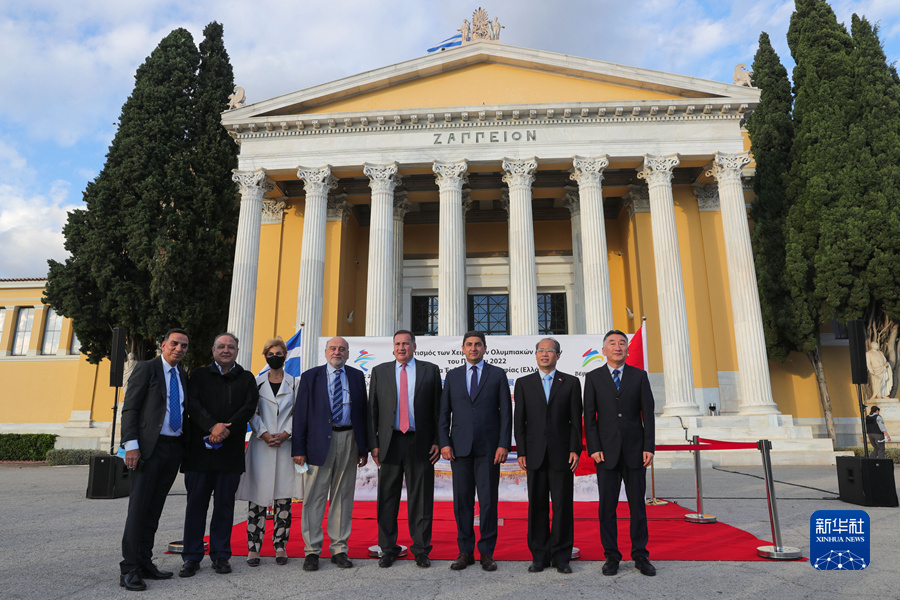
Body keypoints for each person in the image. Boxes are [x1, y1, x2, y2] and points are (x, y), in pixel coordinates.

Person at [179, 333, 259, 577]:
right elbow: (192, 405)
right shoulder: (199, 375)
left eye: (231, 347)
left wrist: (225, 430)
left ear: (237, 351)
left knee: (224, 507)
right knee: (196, 506)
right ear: (213, 350)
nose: (226, 350)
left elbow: (248, 408)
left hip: (230, 453)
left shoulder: (246, 378)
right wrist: (212, 426)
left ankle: (221, 555)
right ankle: (191, 556)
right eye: (221, 346)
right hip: (199, 453)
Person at [118, 328, 190, 591]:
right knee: (139, 508)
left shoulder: (183, 374)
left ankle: (144, 561)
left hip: (173, 449)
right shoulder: (146, 369)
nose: (179, 349)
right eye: (175, 343)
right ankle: (129, 568)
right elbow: (130, 408)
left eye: (184, 346)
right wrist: (131, 446)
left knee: (154, 508)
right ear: (163, 344)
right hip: (148, 449)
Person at [583, 330, 656, 577]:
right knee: (607, 508)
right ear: (604, 350)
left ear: (627, 349)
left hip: (635, 452)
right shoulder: (593, 378)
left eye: (622, 343)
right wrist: (594, 447)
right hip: (606, 454)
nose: (617, 347)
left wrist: (648, 447)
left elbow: (648, 414)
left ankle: (640, 555)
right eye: (612, 343)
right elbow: (589, 416)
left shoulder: (639, 376)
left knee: (638, 507)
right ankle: (611, 556)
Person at [368, 330, 442, 568]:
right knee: (387, 498)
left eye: (406, 344)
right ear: (393, 347)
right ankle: (388, 548)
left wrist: (438, 440)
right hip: (389, 443)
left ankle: (421, 549)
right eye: (398, 344)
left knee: (421, 499)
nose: (402, 347)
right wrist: (374, 444)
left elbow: (438, 410)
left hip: (420, 442)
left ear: (414, 346)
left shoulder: (430, 370)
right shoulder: (380, 371)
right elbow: (372, 411)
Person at [292, 336, 368, 571]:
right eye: (333, 348)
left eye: (342, 349)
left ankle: (339, 549)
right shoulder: (310, 377)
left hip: (349, 439)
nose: (337, 352)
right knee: (314, 497)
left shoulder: (356, 376)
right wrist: (298, 449)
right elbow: (300, 414)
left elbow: (363, 413)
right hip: (317, 443)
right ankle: (312, 551)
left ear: (348, 353)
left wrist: (363, 447)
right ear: (325, 352)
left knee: (343, 497)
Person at [438, 331, 512, 571]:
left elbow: (506, 413)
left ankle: (487, 553)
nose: (473, 348)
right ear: (462, 348)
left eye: (478, 344)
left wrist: (503, 444)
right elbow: (443, 413)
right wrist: (444, 443)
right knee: (462, 502)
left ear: (485, 348)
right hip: (459, 449)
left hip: (489, 450)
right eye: (469, 344)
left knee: (488, 502)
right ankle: (465, 551)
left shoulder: (497, 374)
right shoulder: (453, 376)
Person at [513, 337, 582, 574]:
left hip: (562, 455)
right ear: (535, 355)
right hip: (534, 454)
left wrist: (575, 449)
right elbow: (519, 421)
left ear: (558, 355)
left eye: (549, 350)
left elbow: (576, 420)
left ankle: (561, 556)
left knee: (563, 506)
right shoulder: (524, 383)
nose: (544, 354)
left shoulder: (571, 382)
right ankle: (539, 556)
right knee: (537, 506)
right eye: (540, 350)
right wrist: (522, 451)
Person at [235, 337, 302, 567]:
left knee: (284, 499)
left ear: (285, 356)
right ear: (265, 356)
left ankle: (280, 546)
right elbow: (251, 412)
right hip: (261, 446)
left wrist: (285, 433)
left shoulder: (295, 383)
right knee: (258, 498)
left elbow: (298, 413)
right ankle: (253, 548)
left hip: (285, 445)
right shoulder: (256, 382)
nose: (275, 357)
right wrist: (263, 433)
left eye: (279, 353)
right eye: (271, 354)